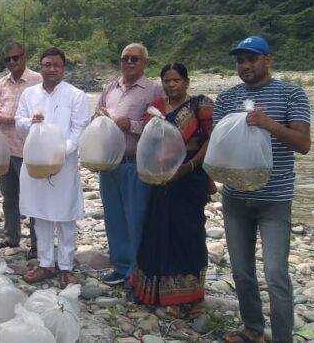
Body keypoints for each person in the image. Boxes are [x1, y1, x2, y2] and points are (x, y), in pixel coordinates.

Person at [216, 37, 310, 343]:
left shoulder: (291, 93)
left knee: (275, 275)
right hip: (235, 198)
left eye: (252, 59)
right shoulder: (227, 99)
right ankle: (253, 329)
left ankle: (283, 337)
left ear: (268, 60)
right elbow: (220, 147)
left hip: (274, 200)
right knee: (242, 272)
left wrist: (267, 124)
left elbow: (303, 144)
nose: (245, 66)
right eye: (240, 60)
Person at [129, 63, 213, 317]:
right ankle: (154, 292)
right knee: (156, 230)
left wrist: (188, 166)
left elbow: (211, 139)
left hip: (189, 177)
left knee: (188, 232)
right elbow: (149, 140)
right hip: (161, 177)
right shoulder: (155, 107)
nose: (171, 85)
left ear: (186, 82)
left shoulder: (200, 105)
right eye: (167, 80)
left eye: (176, 80)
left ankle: (190, 295)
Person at [15, 47, 89, 288]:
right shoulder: (29, 94)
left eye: (56, 65)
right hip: (35, 163)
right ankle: (46, 263)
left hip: (64, 164)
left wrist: (59, 152)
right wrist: (30, 122)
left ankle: (66, 266)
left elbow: (80, 129)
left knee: (66, 215)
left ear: (63, 68)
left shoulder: (76, 95)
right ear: (41, 66)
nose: (51, 69)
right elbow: (19, 122)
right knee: (41, 214)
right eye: (46, 64)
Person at [95, 43, 164, 286]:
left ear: (145, 62)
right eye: (125, 58)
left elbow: (159, 127)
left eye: (135, 58)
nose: (129, 62)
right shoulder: (110, 88)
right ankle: (121, 266)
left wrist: (131, 125)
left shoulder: (153, 90)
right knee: (113, 217)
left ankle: (137, 272)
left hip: (135, 164)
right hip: (109, 164)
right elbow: (96, 117)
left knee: (137, 218)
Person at [0, 42, 41, 256]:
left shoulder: (37, 80)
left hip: (28, 149)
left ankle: (38, 244)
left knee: (33, 197)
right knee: (9, 196)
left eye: (15, 58)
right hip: (5, 149)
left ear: (25, 57)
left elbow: (38, 116)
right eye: (7, 59)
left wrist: (6, 119)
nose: (12, 62)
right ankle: (12, 238)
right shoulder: (2, 83)